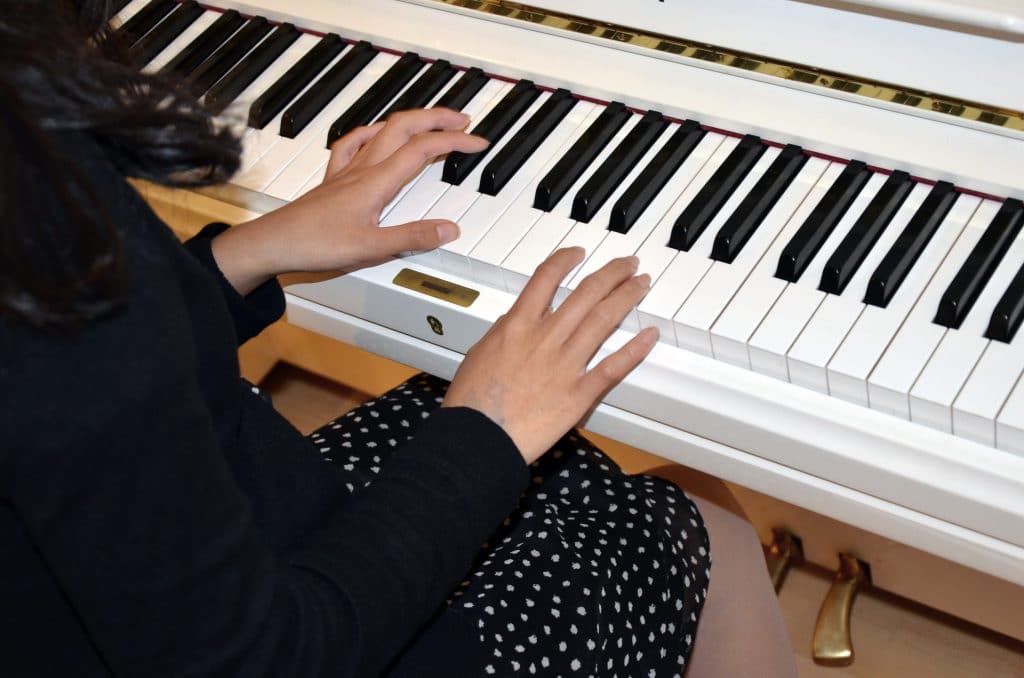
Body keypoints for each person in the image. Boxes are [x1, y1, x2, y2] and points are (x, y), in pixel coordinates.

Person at [0, 1, 797, 676]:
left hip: (209, 521)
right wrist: (483, 431)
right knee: (706, 520)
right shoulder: (39, 225)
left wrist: (250, 253)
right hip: (302, 632)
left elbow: (87, 387)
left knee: (502, 420)